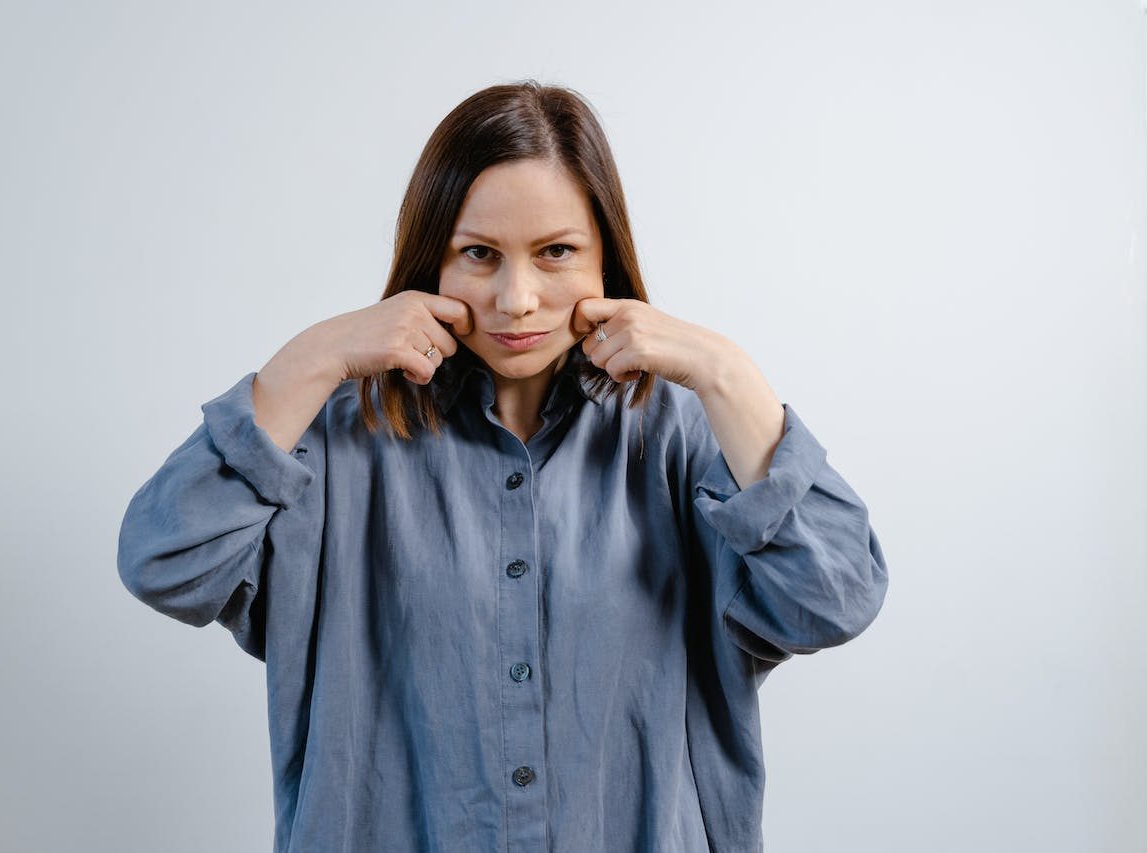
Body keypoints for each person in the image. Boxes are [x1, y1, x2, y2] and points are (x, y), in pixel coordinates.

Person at [117, 79, 888, 853]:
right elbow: (165, 563)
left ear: (605, 259)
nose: (518, 299)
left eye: (556, 252)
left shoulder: (688, 436)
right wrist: (304, 364)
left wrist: (729, 374)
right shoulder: (332, 441)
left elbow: (836, 598)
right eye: (479, 254)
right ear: (432, 260)